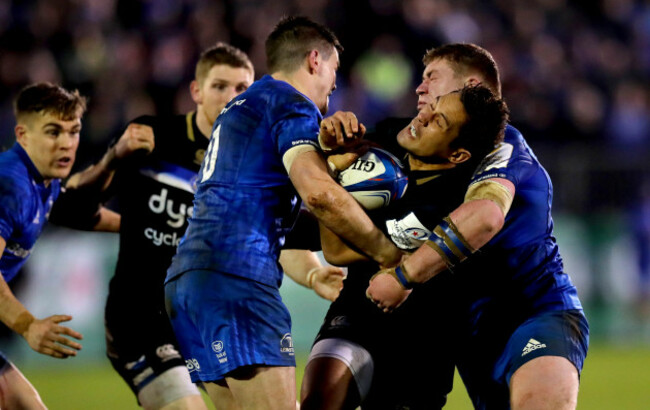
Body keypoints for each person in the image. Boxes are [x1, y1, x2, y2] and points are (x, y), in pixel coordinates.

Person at [67, 42, 344, 410]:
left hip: (201, 307)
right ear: (196, 91)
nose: (232, 96)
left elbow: (272, 234)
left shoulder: (256, 150)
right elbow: (70, 210)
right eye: (220, 86)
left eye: (242, 88)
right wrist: (112, 159)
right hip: (143, 319)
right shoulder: (154, 139)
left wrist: (311, 275)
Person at [164, 16, 402, 410]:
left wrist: (324, 254)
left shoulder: (241, 108)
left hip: (188, 284)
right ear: (314, 60)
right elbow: (320, 195)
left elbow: (266, 212)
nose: (335, 83)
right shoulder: (290, 103)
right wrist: (388, 254)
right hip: (237, 280)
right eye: (334, 69)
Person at [367, 45, 590, 409]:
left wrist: (403, 276)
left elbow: (485, 215)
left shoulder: (502, 148)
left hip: (535, 311)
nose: (419, 89)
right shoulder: (420, 152)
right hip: (471, 335)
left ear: (471, 86)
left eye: (432, 78)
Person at [302, 75, 509, 410]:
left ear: (457, 155)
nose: (422, 117)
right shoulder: (387, 135)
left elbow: (338, 251)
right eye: (433, 108)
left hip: (423, 343)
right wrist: (331, 135)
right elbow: (329, 145)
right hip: (357, 315)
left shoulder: (449, 204)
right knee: (321, 398)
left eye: (438, 121)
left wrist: (334, 181)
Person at [0, 82, 115, 409]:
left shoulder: (42, 181)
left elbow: (71, 212)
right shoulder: (11, 184)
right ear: (22, 135)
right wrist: (28, 325)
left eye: (73, 131)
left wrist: (137, 225)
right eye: (53, 132)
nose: (66, 143)